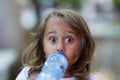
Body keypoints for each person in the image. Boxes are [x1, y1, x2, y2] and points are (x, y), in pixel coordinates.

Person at [16, 9, 99, 80]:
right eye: (52, 40)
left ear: (82, 45)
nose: (60, 47)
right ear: (43, 46)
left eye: (69, 40)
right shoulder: (28, 74)